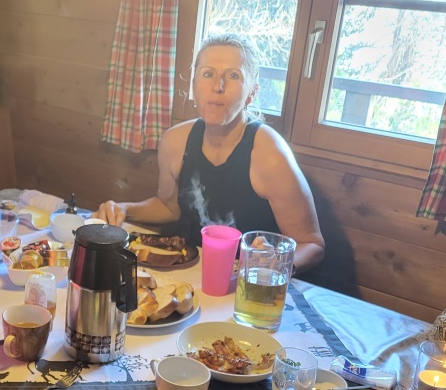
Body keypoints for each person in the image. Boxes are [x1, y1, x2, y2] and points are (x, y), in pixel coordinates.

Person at [94, 33, 325, 273]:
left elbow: (312, 244)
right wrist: (124, 209)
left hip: (248, 282)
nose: (217, 86)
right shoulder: (175, 141)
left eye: (233, 76)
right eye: (208, 74)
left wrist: (277, 263)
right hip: (189, 271)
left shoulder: (270, 154)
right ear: (194, 86)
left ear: (252, 93)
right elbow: (169, 207)